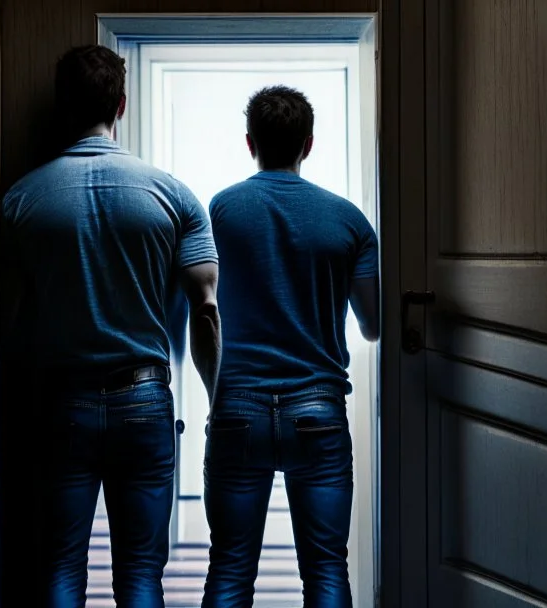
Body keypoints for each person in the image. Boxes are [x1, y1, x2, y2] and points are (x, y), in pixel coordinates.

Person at [0, 44, 221, 608]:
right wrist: (217, 398)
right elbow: (207, 308)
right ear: (121, 105)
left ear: (62, 105)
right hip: (143, 401)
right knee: (142, 575)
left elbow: (10, 316)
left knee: (60, 569)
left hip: (59, 403)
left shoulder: (21, 201)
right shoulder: (172, 196)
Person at [201, 85, 381, 608]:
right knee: (326, 571)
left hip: (237, 408)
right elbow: (372, 325)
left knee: (230, 570)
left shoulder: (222, 211)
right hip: (319, 410)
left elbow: (202, 307)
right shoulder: (348, 221)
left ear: (250, 142)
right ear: (309, 144)